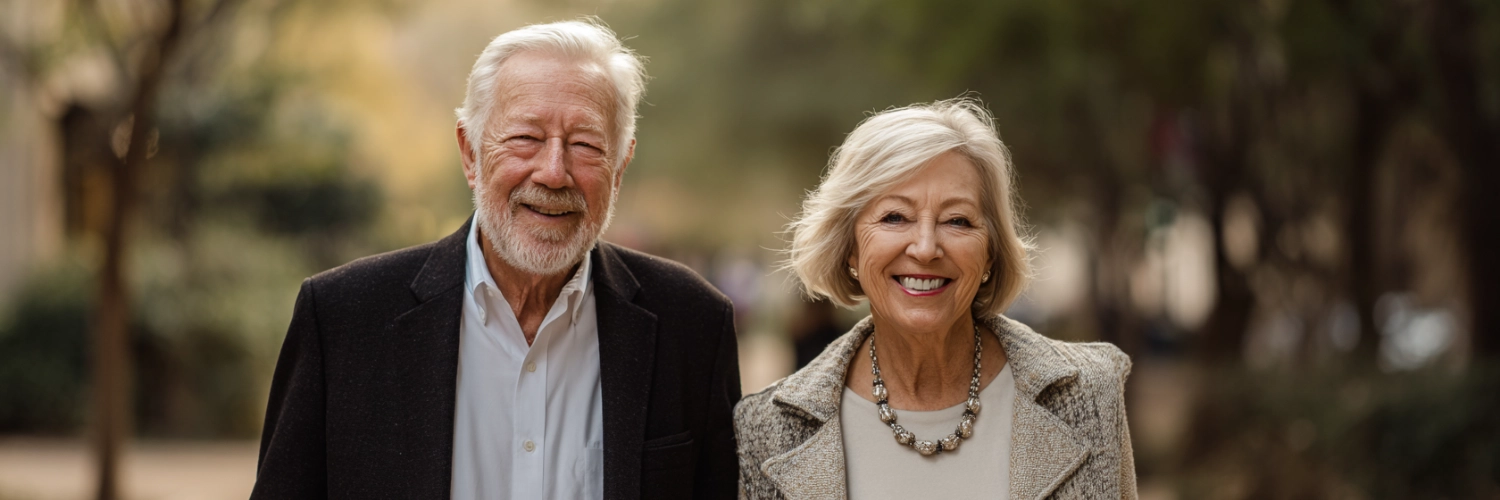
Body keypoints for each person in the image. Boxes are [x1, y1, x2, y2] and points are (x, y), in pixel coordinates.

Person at [252, 19, 740, 500]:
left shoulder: (693, 324)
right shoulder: (342, 319)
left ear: (620, 168)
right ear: (470, 153)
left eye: (585, 145)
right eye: (526, 138)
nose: (553, 173)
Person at [734, 98, 1137, 499]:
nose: (926, 248)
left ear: (990, 255)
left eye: (957, 220)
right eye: (895, 217)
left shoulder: (1090, 395)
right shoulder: (766, 432)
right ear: (850, 248)